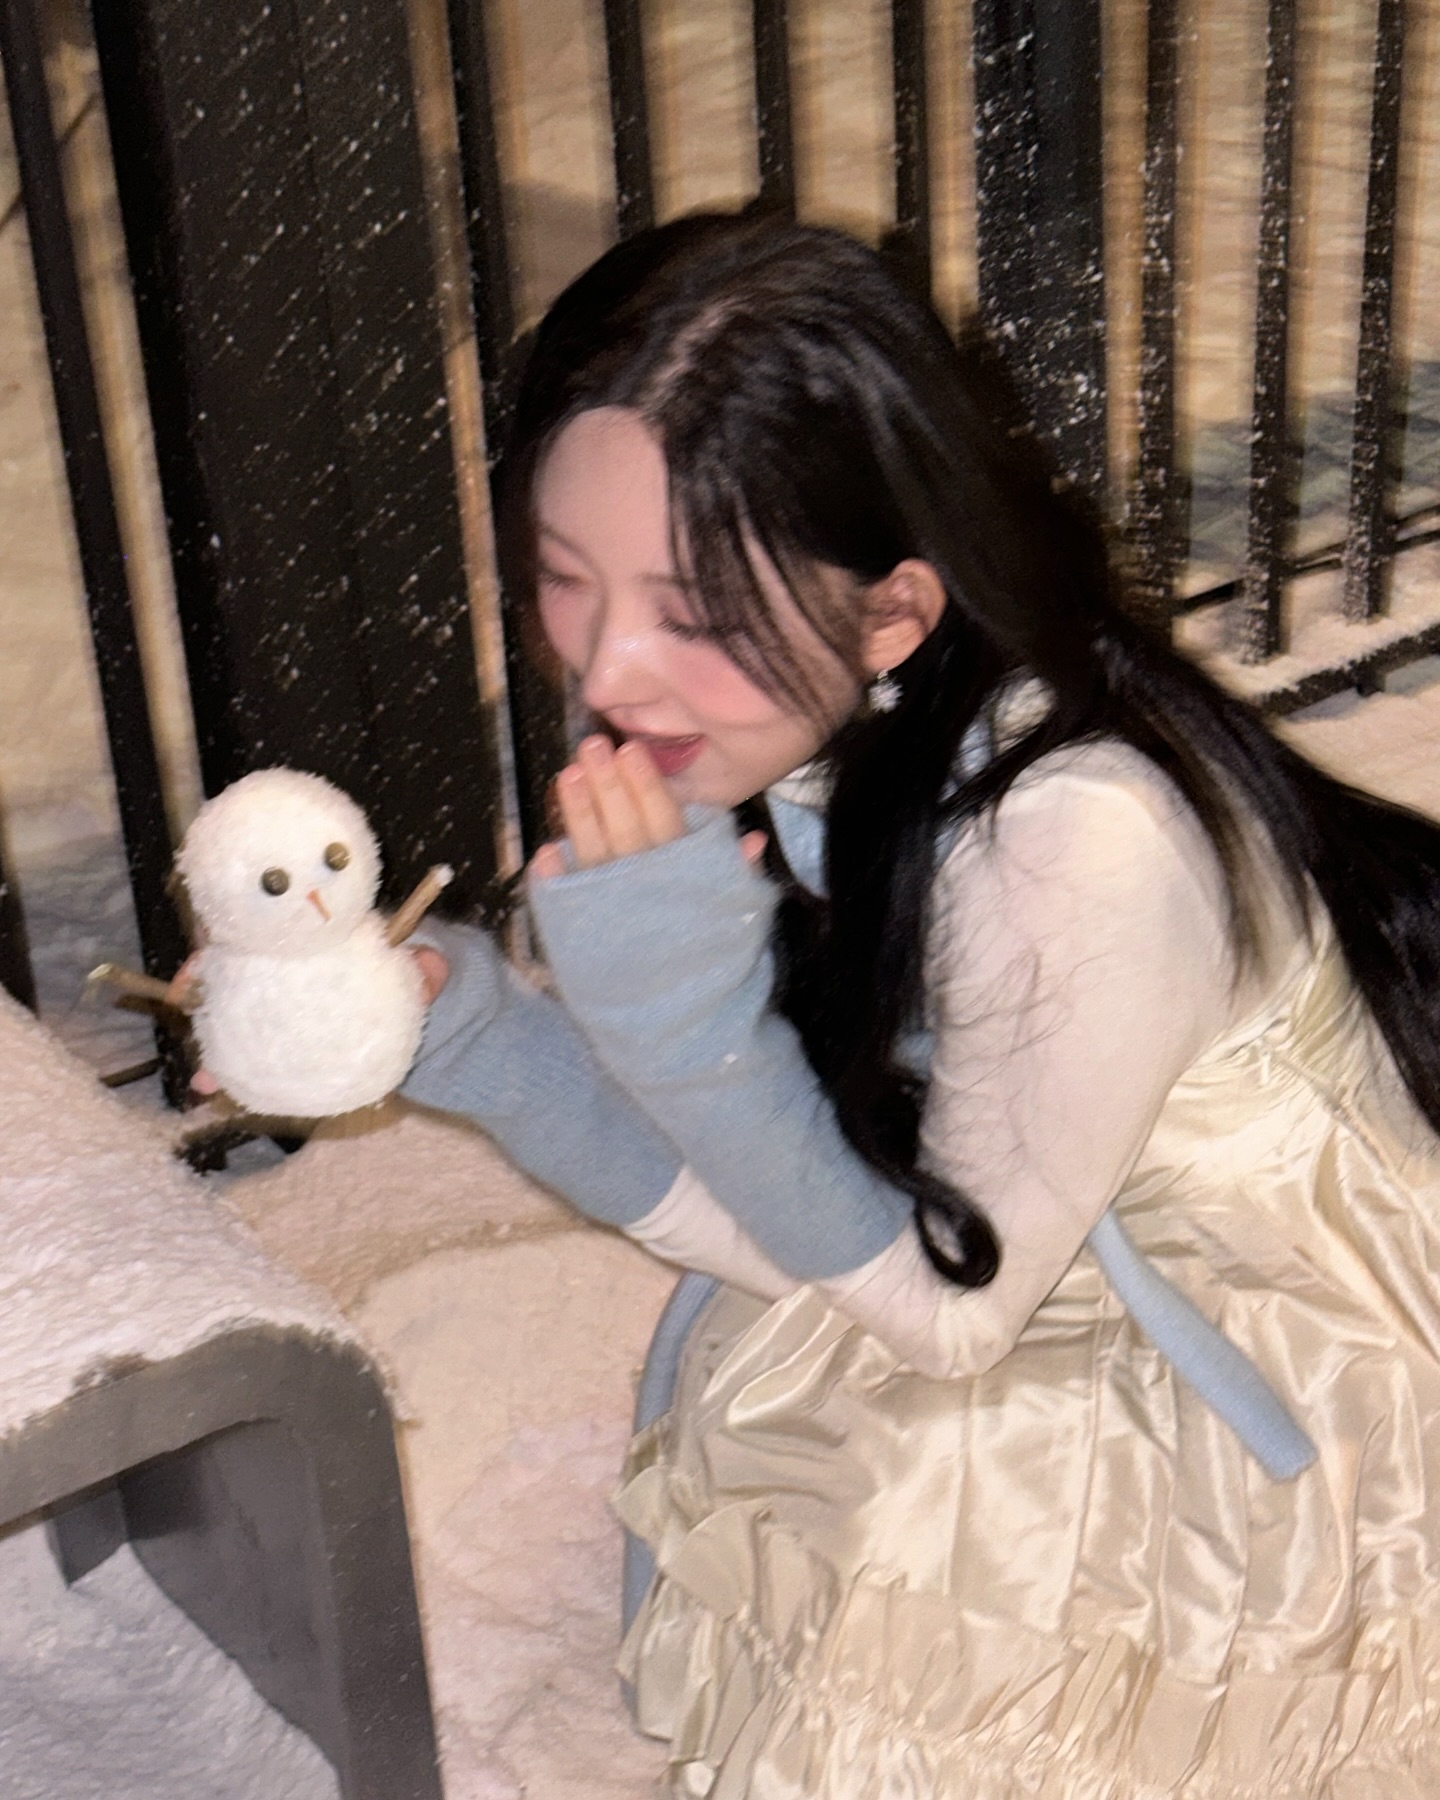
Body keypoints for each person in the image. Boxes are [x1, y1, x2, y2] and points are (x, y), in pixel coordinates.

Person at [402, 212, 1440, 1797]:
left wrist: (678, 1018)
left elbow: (944, 1312)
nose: (608, 674)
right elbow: (785, 1176)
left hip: (1260, 1338)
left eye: (695, 612)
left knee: (928, 1519)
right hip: (998, 1217)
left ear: (895, 612)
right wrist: (476, 1033)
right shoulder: (831, 722)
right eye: (563, 580)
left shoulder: (1075, 839)